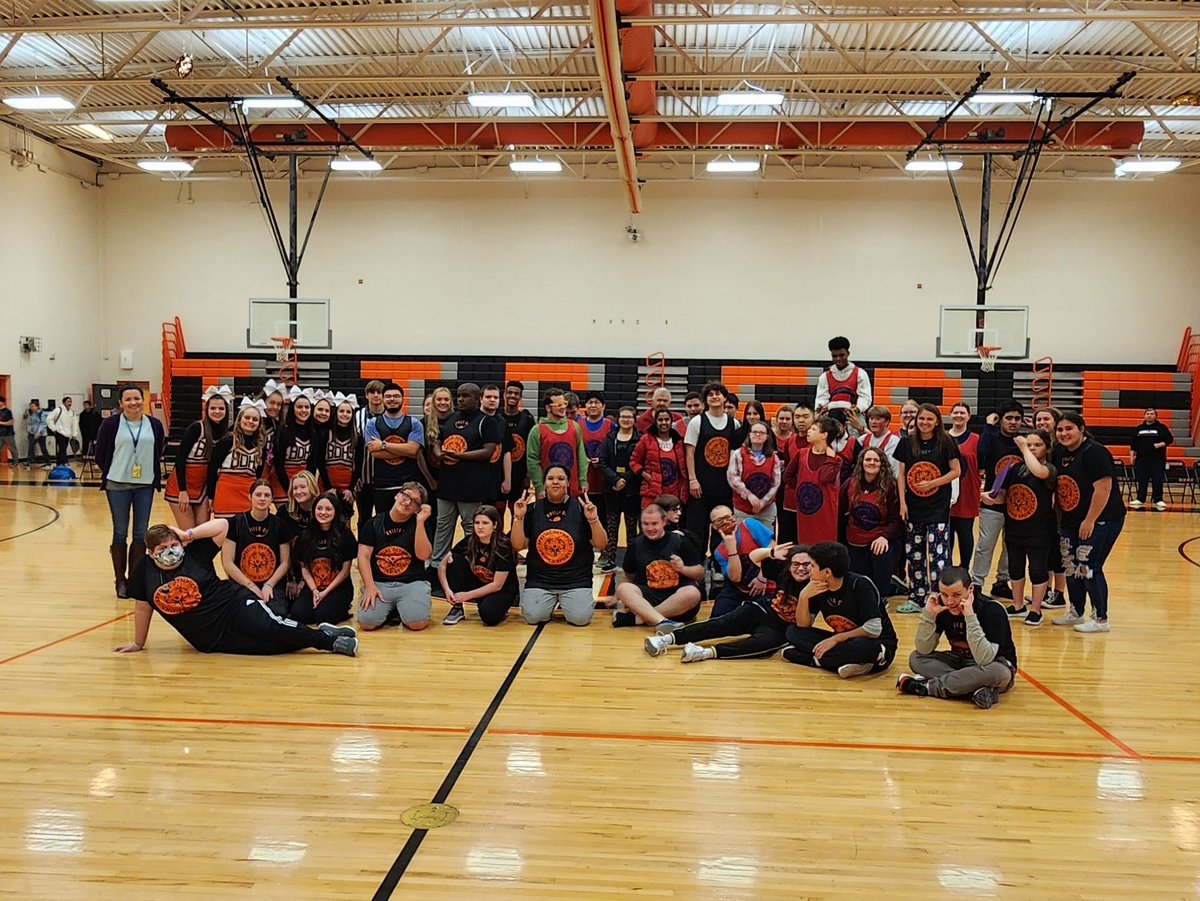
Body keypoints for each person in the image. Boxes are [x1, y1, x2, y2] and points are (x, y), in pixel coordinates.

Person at [116, 518, 358, 657]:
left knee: (271, 627)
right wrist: (139, 643)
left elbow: (223, 526)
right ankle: (324, 633)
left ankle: (329, 642)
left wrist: (188, 534)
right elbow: (143, 607)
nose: (170, 551)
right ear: (150, 553)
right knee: (271, 648)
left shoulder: (195, 553)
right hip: (210, 639)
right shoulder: (144, 570)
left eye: (173, 544)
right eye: (162, 549)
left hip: (232, 604)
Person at [644, 542, 800, 663]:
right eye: (796, 564)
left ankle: (704, 653)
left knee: (763, 645)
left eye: (806, 565)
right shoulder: (784, 572)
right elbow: (753, 557)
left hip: (780, 628)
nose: (801, 569)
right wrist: (770, 552)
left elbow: (805, 621)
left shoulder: (816, 588)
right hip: (761, 609)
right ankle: (666, 639)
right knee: (718, 624)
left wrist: (806, 595)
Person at [895, 566, 1016, 709]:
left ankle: (928, 687)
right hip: (960, 662)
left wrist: (970, 617)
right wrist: (928, 615)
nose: (950, 601)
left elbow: (984, 659)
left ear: (970, 589)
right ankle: (970, 691)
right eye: (944, 595)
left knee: (1000, 673)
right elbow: (924, 649)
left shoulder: (992, 610)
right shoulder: (942, 607)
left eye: (956, 595)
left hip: (991, 665)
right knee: (916, 658)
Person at [1052, 412, 1125, 633]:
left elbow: (1103, 488)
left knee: (1089, 566)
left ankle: (1100, 618)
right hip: (1070, 520)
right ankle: (1076, 611)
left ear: (1081, 429)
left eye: (1068, 429)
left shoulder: (1095, 452)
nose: (1063, 434)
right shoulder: (1059, 452)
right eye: (1060, 430)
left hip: (1101, 519)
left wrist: (1090, 520)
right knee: (1070, 565)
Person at [782, 541, 897, 678]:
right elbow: (803, 625)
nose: (809, 570)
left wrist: (836, 639)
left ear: (827, 572)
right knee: (793, 632)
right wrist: (803, 597)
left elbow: (873, 629)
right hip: (845, 641)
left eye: (812, 566)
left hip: (874, 642)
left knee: (863, 646)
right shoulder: (816, 586)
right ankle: (854, 664)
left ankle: (814, 660)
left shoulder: (860, 584)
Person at [511, 465, 606, 627]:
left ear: (568, 483)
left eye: (561, 479)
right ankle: (548, 602)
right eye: (550, 479)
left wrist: (593, 520)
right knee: (533, 617)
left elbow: (601, 543)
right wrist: (518, 518)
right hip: (540, 580)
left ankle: (569, 600)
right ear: (544, 483)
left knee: (580, 619)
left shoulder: (581, 508)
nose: (555, 482)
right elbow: (518, 545)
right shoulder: (533, 510)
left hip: (575, 580)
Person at [95, 384, 167, 599]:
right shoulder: (110, 424)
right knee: (120, 531)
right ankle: (120, 581)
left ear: (142, 400)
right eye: (128, 399)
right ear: (121, 403)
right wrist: (115, 471)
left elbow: (159, 448)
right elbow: (101, 454)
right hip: (117, 484)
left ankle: (135, 580)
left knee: (141, 532)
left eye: (137, 398)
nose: (133, 402)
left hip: (144, 485)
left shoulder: (154, 424)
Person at [983, 431, 1056, 627]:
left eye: (1037, 445)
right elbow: (1002, 496)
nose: (1032, 448)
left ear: (1047, 448)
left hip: (1039, 529)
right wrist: (987, 497)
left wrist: (1023, 447)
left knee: (1037, 569)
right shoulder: (1013, 468)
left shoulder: (1049, 469)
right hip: (1014, 527)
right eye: (1029, 445)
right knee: (1015, 568)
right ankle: (1017, 606)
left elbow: (1038, 472)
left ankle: (1036, 609)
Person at [894, 403, 962, 614]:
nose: (925, 423)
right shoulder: (906, 442)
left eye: (929, 419)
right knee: (914, 554)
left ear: (937, 422)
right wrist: (903, 503)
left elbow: (956, 471)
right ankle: (916, 597)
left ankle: (938, 597)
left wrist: (934, 483)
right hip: (913, 507)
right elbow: (902, 474)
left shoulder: (946, 442)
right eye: (921, 419)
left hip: (937, 508)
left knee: (938, 555)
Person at [431, 383, 501, 563]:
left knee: (471, 527)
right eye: (459, 395)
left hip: (471, 486)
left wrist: (460, 456)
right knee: (443, 526)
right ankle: (436, 564)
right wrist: (438, 453)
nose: (460, 399)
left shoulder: (487, 421)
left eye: (466, 396)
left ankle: (475, 562)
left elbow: (488, 452)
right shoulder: (451, 418)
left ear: (478, 399)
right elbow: (438, 440)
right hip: (447, 484)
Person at [357, 482, 433, 631]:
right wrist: (370, 586)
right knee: (367, 623)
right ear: (397, 495)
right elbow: (363, 557)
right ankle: (392, 608)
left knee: (417, 623)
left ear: (418, 509)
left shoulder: (421, 525)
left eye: (415, 502)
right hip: (380, 582)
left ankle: (403, 605)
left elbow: (423, 555)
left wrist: (420, 522)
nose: (407, 502)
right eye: (406, 496)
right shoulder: (373, 524)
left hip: (411, 582)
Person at [612, 504, 704, 628]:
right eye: (646, 524)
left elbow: (700, 573)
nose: (650, 528)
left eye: (654, 524)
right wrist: (616, 597)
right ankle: (661, 621)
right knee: (623, 588)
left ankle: (642, 619)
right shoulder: (636, 544)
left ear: (664, 522)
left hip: (677, 598)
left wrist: (682, 569)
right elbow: (628, 575)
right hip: (649, 596)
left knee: (693, 593)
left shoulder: (680, 541)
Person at [972, 401, 1022, 599]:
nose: (1013, 422)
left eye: (1017, 418)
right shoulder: (991, 438)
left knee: (1010, 546)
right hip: (992, 503)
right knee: (985, 545)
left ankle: (1002, 582)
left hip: (1018, 505)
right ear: (1000, 419)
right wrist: (988, 425)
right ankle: (976, 584)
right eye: (1009, 418)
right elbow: (980, 453)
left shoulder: (1023, 442)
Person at [438, 504, 518, 626]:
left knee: (488, 616)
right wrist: (447, 590)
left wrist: (467, 595)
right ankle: (457, 608)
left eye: (485, 523)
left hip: (502, 590)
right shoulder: (470, 541)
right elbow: (442, 566)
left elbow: (497, 585)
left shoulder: (503, 547)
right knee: (453, 560)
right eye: (477, 523)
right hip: (480, 583)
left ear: (495, 525)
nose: (480, 527)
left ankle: (496, 605)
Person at [840, 446, 902, 599]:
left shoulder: (891, 486)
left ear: (882, 464)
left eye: (876, 460)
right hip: (855, 543)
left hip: (879, 541)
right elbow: (839, 514)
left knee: (880, 553)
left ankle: (882, 596)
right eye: (868, 459)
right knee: (857, 583)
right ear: (861, 462)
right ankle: (891, 586)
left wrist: (885, 537)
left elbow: (898, 520)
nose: (872, 463)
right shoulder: (849, 484)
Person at [164, 386, 230, 529]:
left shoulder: (227, 434)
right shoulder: (196, 428)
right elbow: (180, 459)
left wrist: (211, 495)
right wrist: (182, 490)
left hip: (202, 489)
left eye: (221, 409)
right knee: (188, 535)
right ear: (206, 410)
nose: (217, 412)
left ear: (226, 411)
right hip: (182, 487)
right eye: (213, 408)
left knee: (201, 533)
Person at [684, 381, 739, 553]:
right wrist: (693, 480)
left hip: (724, 487)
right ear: (706, 400)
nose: (714, 397)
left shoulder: (734, 424)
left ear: (724, 398)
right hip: (700, 487)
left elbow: (736, 457)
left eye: (718, 394)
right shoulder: (697, 422)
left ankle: (718, 565)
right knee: (697, 529)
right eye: (710, 395)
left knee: (722, 528)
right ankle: (696, 564)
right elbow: (689, 453)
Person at [221, 479, 291, 614]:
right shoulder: (236, 523)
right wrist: (250, 585)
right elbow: (228, 562)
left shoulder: (280, 524)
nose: (262, 499)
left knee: (278, 612)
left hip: (272, 584)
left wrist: (269, 584)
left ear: (272, 499)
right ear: (249, 497)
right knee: (241, 613)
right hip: (243, 583)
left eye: (266, 495)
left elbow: (285, 563)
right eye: (258, 495)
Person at [289, 492, 357, 624]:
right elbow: (304, 567)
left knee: (323, 617)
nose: (323, 512)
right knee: (299, 615)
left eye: (328, 509)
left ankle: (342, 608)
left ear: (335, 511)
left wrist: (325, 592)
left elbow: (345, 571)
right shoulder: (306, 535)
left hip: (337, 586)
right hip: (314, 585)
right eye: (319, 508)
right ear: (313, 510)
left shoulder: (345, 534)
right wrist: (314, 590)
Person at [363, 382, 424, 513]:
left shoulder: (414, 423)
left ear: (403, 399)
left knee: (409, 523)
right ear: (383, 400)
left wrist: (383, 445)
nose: (392, 399)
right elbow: (375, 453)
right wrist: (405, 450)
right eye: (388, 396)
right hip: (383, 483)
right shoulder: (373, 424)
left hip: (408, 483)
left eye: (396, 396)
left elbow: (413, 450)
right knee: (384, 522)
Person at [710, 505, 777, 617]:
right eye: (719, 521)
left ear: (734, 518)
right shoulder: (719, 551)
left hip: (767, 583)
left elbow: (774, 550)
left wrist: (762, 577)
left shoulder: (750, 525)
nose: (725, 522)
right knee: (718, 617)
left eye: (727, 517)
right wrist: (731, 549)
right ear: (714, 526)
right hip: (740, 589)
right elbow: (736, 578)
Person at [789, 416, 847, 546]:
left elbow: (825, 478)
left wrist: (830, 458)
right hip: (806, 511)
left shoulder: (835, 459)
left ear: (824, 435)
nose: (809, 431)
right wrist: (801, 490)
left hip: (825, 514)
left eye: (814, 429)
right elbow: (788, 475)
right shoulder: (802, 453)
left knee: (824, 550)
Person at [596, 406, 641, 563]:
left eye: (629, 417)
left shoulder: (639, 440)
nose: (626, 420)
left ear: (634, 420)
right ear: (618, 419)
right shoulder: (609, 439)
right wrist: (615, 479)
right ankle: (610, 558)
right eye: (623, 417)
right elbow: (602, 462)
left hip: (632, 490)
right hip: (611, 489)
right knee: (612, 527)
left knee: (631, 529)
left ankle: (631, 560)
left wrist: (625, 480)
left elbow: (640, 463)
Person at [207, 401, 268, 519]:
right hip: (226, 493)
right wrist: (210, 496)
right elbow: (212, 469)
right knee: (225, 532)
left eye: (255, 419)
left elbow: (258, 475)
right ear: (239, 420)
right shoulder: (228, 440)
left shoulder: (261, 446)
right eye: (247, 417)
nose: (250, 421)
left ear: (259, 424)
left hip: (249, 495)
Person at [1033, 406, 1068, 609]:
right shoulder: (1038, 445)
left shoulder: (1061, 447)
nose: (1042, 423)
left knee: (1057, 552)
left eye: (1046, 419)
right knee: (1045, 551)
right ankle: (1045, 591)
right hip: (1043, 509)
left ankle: (1059, 593)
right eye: (1038, 420)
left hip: (1059, 508)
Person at [526, 387, 588, 498]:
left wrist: (583, 480)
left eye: (564, 403)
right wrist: (539, 487)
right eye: (558, 405)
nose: (563, 408)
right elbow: (532, 461)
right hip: (547, 490)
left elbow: (581, 455)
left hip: (572, 489)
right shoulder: (537, 430)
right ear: (548, 408)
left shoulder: (574, 426)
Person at [580, 391, 617, 569]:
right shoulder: (578, 424)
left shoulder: (610, 425)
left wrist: (601, 462)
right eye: (590, 402)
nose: (593, 405)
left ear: (603, 406)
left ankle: (604, 551)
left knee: (603, 517)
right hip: (585, 480)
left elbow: (615, 449)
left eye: (596, 402)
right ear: (585, 406)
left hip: (604, 481)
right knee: (583, 518)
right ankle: (584, 550)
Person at [630, 408, 688, 510]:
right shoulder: (646, 439)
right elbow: (634, 462)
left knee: (672, 524)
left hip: (674, 494)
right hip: (652, 493)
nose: (664, 422)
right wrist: (644, 475)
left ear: (671, 421)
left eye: (667, 419)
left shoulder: (679, 441)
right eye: (660, 420)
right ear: (655, 422)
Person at [727, 421, 781, 527]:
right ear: (749, 435)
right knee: (744, 541)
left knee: (766, 543)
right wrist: (749, 496)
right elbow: (733, 478)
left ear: (767, 437)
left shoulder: (774, 457)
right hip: (742, 510)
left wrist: (762, 503)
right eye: (755, 432)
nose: (758, 435)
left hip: (766, 511)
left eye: (762, 432)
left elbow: (776, 484)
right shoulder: (738, 454)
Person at [314, 393, 360, 511]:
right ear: (336, 413)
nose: (345, 414)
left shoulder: (357, 437)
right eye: (341, 411)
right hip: (327, 482)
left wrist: (350, 488)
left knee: (345, 522)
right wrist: (329, 487)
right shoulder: (326, 433)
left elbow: (359, 464)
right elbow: (320, 461)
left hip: (347, 485)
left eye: (348, 412)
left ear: (352, 414)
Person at [947, 402, 979, 566]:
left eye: (962, 413)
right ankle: (948, 571)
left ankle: (965, 568)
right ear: (951, 415)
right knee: (947, 535)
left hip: (967, 493)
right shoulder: (943, 437)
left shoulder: (976, 439)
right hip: (946, 493)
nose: (959, 415)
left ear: (968, 416)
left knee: (966, 534)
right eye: (956, 412)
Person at [500, 381, 536, 524]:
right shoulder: (497, 418)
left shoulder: (527, 420)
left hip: (520, 475)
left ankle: (514, 545)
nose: (512, 396)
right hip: (499, 476)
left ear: (520, 397)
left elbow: (532, 450)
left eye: (516, 393)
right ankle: (498, 544)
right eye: (510, 392)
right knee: (498, 513)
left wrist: (528, 476)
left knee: (518, 515)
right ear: (504, 395)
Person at [272, 390, 316, 502]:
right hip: (282, 481)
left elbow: (312, 465)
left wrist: (307, 485)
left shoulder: (313, 433)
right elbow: (278, 464)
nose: (304, 410)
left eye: (307, 407)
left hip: (302, 482)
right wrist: (289, 488)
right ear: (292, 409)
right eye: (299, 407)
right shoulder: (283, 431)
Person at [352, 379, 385, 525]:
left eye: (379, 392)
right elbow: (352, 449)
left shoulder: (392, 417)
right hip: (363, 479)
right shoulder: (356, 416)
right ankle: (362, 548)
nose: (376, 396)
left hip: (384, 478)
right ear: (366, 395)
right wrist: (355, 476)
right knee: (363, 519)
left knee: (383, 517)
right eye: (372, 392)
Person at [778, 405, 812, 545]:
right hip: (791, 497)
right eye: (797, 417)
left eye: (805, 417)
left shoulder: (819, 441)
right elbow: (787, 470)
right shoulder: (790, 442)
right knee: (787, 538)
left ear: (813, 418)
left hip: (811, 499)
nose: (801, 421)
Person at [1130, 407, 1174, 509]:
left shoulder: (1162, 428)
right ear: (1144, 416)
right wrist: (1132, 456)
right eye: (1147, 414)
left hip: (1157, 460)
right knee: (1142, 479)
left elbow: (1170, 440)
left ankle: (1158, 499)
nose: (1149, 416)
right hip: (1141, 459)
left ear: (1156, 416)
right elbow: (1133, 444)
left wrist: (1161, 444)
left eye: (1152, 414)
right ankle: (1140, 498)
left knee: (1157, 479)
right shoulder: (1139, 429)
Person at [815, 336, 872, 414]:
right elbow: (821, 398)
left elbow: (865, 397)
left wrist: (858, 408)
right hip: (831, 419)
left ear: (848, 354)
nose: (838, 359)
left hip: (854, 417)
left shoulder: (860, 374)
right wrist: (820, 406)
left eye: (841, 355)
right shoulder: (824, 377)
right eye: (834, 356)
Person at [480, 384, 512, 507]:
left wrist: (507, 479)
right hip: (476, 480)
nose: (492, 400)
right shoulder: (475, 420)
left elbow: (506, 451)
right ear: (481, 399)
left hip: (495, 480)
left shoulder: (502, 422)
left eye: (495, 397)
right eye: (488, 397)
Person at [47, 395, 81, 466]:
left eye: (71, 401)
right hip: (59, 432)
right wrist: (53, 428)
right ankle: (65, 462)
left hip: (68, 434)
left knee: (63, 449)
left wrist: (74, 434)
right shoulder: (58, 410)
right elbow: (49, 419)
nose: (70, 403)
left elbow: (75, 424)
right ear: (64, 402)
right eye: (68, 401)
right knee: (62, 448)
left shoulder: (72, 412)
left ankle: (59, 464)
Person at [23, 400, 50, 469]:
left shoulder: (42, 413)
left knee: (43, 448)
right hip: (32, 433)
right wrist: (29, 431)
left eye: (33, 406)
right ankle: (29, 462)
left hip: (40, 434)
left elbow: (43, 424)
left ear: (37, 406)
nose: (31, 408)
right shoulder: (30, 413)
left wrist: (38, 432)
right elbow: (29, 423)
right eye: (30, 406)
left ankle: (48, 463)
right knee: (31, 447)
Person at [0, 395, 17, 467]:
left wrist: (1, 423)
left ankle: (15, 463)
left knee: (12, 449)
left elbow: (11, 422)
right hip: (0, 434)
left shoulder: (7, 412)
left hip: (8, 434)